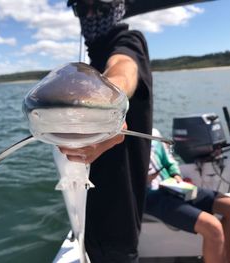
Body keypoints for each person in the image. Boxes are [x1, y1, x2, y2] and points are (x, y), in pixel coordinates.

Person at [59, 0, 153, 262]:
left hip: (118, 220)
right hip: (92, 215)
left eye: (99, 7)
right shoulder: (90, 64)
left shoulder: (129, 42)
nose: (90, 15)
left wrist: (105, 103)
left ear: (119, 6)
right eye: (82, 8)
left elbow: (123, 70)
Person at [145, 128, 230, 263]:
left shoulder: (154, 133)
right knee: (212, 227)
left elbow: (169, 161)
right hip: (150, 198)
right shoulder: (122, 140)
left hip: (174, 187)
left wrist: (176, 175)